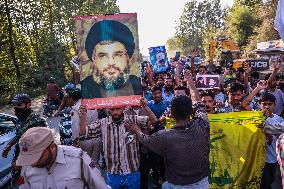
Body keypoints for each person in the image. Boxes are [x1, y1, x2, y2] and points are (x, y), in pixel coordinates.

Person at [125, 73, 210, 188]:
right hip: (202, 184)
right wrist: (190, 82)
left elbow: (146, 140)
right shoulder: (203, 124)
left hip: (176, 185)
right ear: (191, 112)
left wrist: (137, 130)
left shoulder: (165, 136)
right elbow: (198, 102)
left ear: (171, 114)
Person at [79, 101, 157, 189]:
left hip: (132, 172)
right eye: (112, 109)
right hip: (113, 174)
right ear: (108, 110)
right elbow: (84, 132)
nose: (115, 112)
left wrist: (145, 107)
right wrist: (83, 116)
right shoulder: (103, 123)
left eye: (118, 109)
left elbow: (154, 120)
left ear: (123, 108)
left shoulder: (133, 119)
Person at [16, 127, 109, 189]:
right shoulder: (27, 165)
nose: (33, 163)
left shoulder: (79, 159)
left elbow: (101, 186)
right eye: (29, 157)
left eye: (36, 157)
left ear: (52, 147)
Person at [81, 20, 141, 98]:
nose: (111, 62)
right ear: (94, 59)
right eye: (103, 56)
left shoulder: (136, 84)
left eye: (117, 55)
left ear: (127, 57)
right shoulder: (86, 88)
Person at [2, 93, 47, 185]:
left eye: (19, 105)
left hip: (33, 168)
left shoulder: (37, 122)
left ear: (28, 105)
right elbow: (20, 134)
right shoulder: (23, 119)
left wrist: (20, 161)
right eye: (14, 105)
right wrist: (9, 145)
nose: (15, 108)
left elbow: (39, 149)